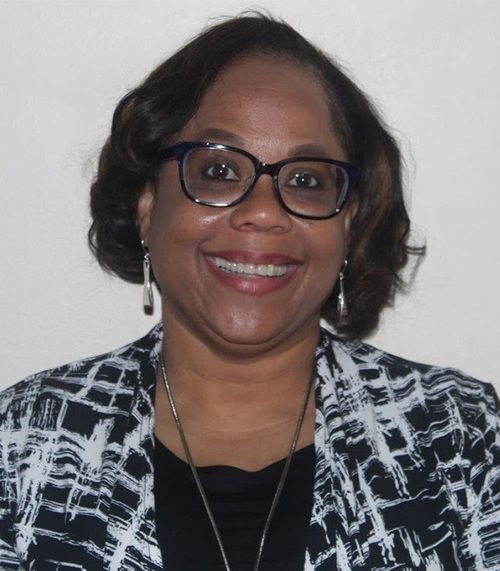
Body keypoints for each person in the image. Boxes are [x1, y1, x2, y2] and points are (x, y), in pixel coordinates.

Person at [0, 13, 498, 571]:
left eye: (305, 180)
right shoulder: (24, 443)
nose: (263, 212)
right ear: (147, 206)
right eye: (218, 170)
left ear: (349, 223)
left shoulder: (458, 437)